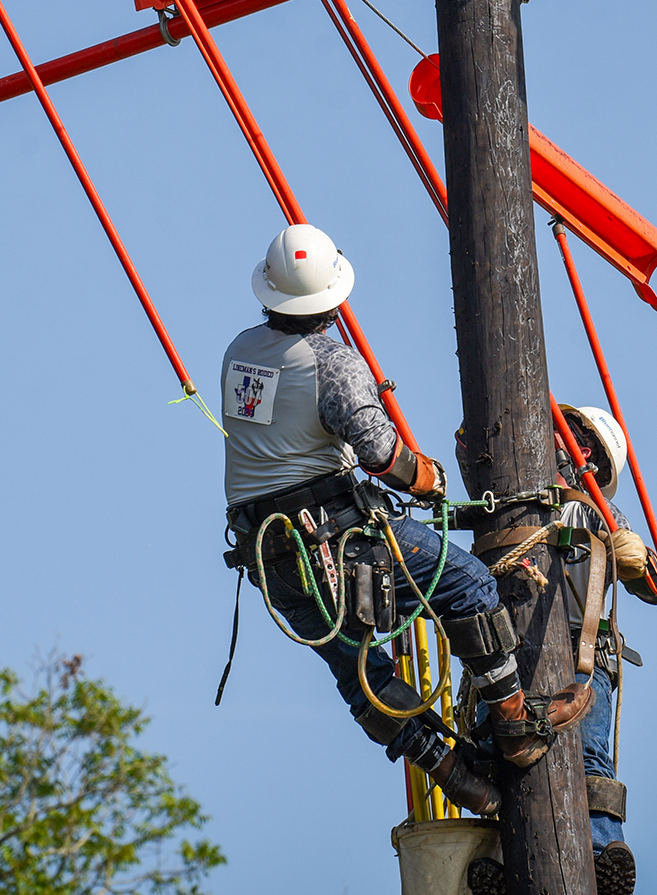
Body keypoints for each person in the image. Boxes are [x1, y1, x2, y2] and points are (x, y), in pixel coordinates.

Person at [220, 224, 593, 816]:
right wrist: (429, 477)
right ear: (333, 298)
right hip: (337, 538)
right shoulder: (332, 365)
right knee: (470, 585)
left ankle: (455, 775)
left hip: (271, 558)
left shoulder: (240, 352)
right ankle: (517, 725)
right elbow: (383, 457)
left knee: (361, 672)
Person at [554, 404, 657, 895]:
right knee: (495, 747)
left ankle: (605, 852)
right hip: (514, 650)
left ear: (586, 451)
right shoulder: (508, 482)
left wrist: (632, 556)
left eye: (568, 433)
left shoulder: (596, 507)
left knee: (588, 756)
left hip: (584, 656)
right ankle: (500, 851)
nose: (556, 438)